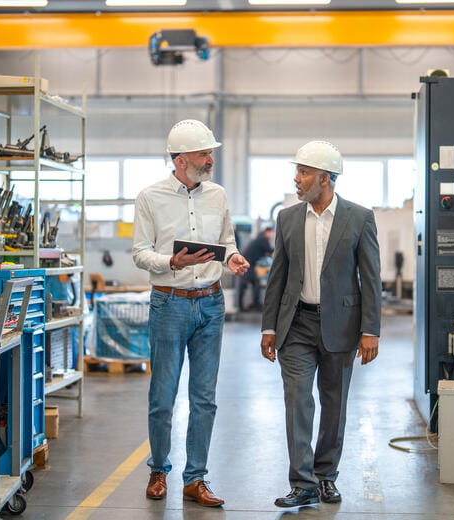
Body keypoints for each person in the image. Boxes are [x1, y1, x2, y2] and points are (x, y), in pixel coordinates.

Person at [132, 119, 249, 507]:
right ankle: (158, 471)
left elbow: (226, 238)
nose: (210, 159)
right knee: (162, 396)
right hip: (169, 303)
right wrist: (171, 260)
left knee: (205, 398)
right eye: (203, 154)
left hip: (212, 303)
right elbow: (140, 253)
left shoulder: (218, 195)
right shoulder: (150, 197)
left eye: (210, 152)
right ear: (182, 160)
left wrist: (232, 256)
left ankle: (195, 479)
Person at [260, 140, 381, 507]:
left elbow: (371, 277)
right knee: (297, 400)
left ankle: (326, 475)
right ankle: (303, 482)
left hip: (341, 325)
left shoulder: (359, 217)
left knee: (334, 403)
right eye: (297, 171)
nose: (297, 179)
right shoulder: (287, 218)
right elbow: (277, 276)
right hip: (295, 324)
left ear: (325, 178)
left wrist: (370, 330)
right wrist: (268, 327)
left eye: (304, 172)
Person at [237, 227, 274, 311]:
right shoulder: (263, 238)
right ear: (267, 232)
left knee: (251, 284)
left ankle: (252, 305)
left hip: (247, 263)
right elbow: (269, 250)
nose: (272, 235)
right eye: (271, 233)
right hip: (247, 264)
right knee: (252, 284)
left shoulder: (259, 238)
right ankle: (253, 305)